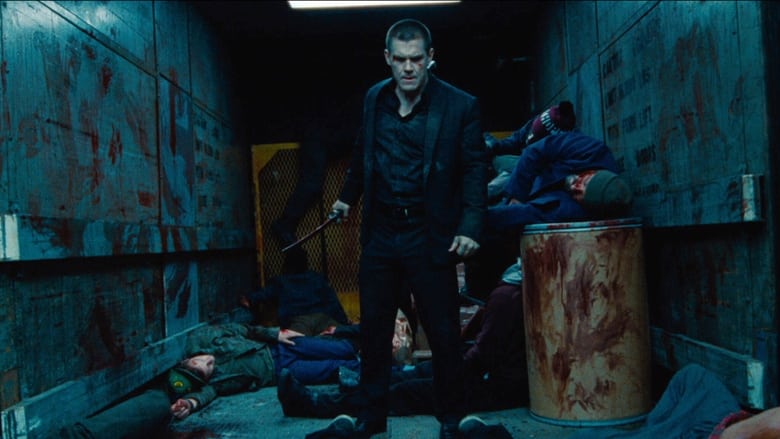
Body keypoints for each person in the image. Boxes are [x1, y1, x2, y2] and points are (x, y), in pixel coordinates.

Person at [327, 18, 489, 439]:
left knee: (443, 331)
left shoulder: (460, 105)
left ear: (430, 57)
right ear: (388, 58)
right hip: (381, 232)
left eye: (416, 59)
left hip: (429, 233)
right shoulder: (374, 98)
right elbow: (363, 152)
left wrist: (471, 226)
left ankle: (452, 418)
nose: (408, 68)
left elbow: (474, 168)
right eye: (400, 60)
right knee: (374, 330)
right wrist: (347, 197)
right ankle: (371, 418)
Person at [279, 262, 527, 421]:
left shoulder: (506, 296)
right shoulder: (509, 290)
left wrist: (448, 367)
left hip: (498, 386)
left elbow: (479, 359)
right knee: (417, 373)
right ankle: (353, 390)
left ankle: (318, 405)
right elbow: (478, 340)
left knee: (405, 392)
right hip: (494, 375)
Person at [59, 321, 359, 438]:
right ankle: (376, 373)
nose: (208, 364)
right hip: (273, 370)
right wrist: (190, 402)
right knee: (335, 368)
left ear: (188, 358)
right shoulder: (210, 383)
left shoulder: (202, 339)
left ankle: (377, 347)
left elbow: (240, 328)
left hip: (279, 347)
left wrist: (274, 333)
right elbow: (207, 394)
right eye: (205, 370)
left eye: (201, 362)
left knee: (343, 348)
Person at [568, 363, 780, 439]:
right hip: (726, 419)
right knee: (692, 375)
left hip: (714, 434)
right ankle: (657, 432)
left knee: (585, 437)